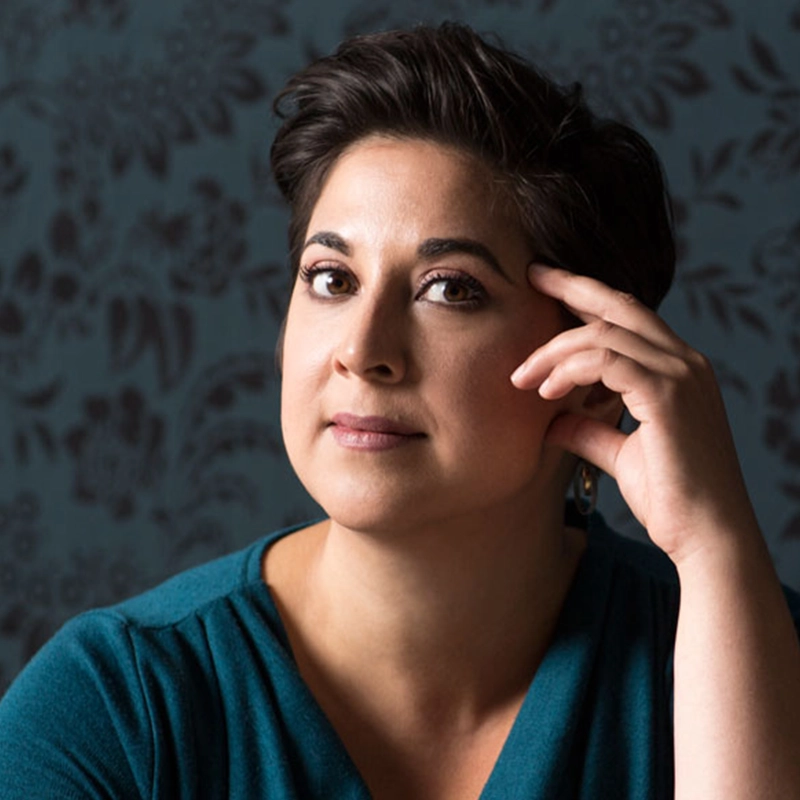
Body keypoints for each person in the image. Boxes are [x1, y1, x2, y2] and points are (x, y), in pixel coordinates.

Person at [1, 21, 799, 800]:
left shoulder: (750, 644)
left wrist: (713, 549)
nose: (362, 348)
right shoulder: (113, 707)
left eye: (450, 288)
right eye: (330, 278)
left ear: (592, 366)